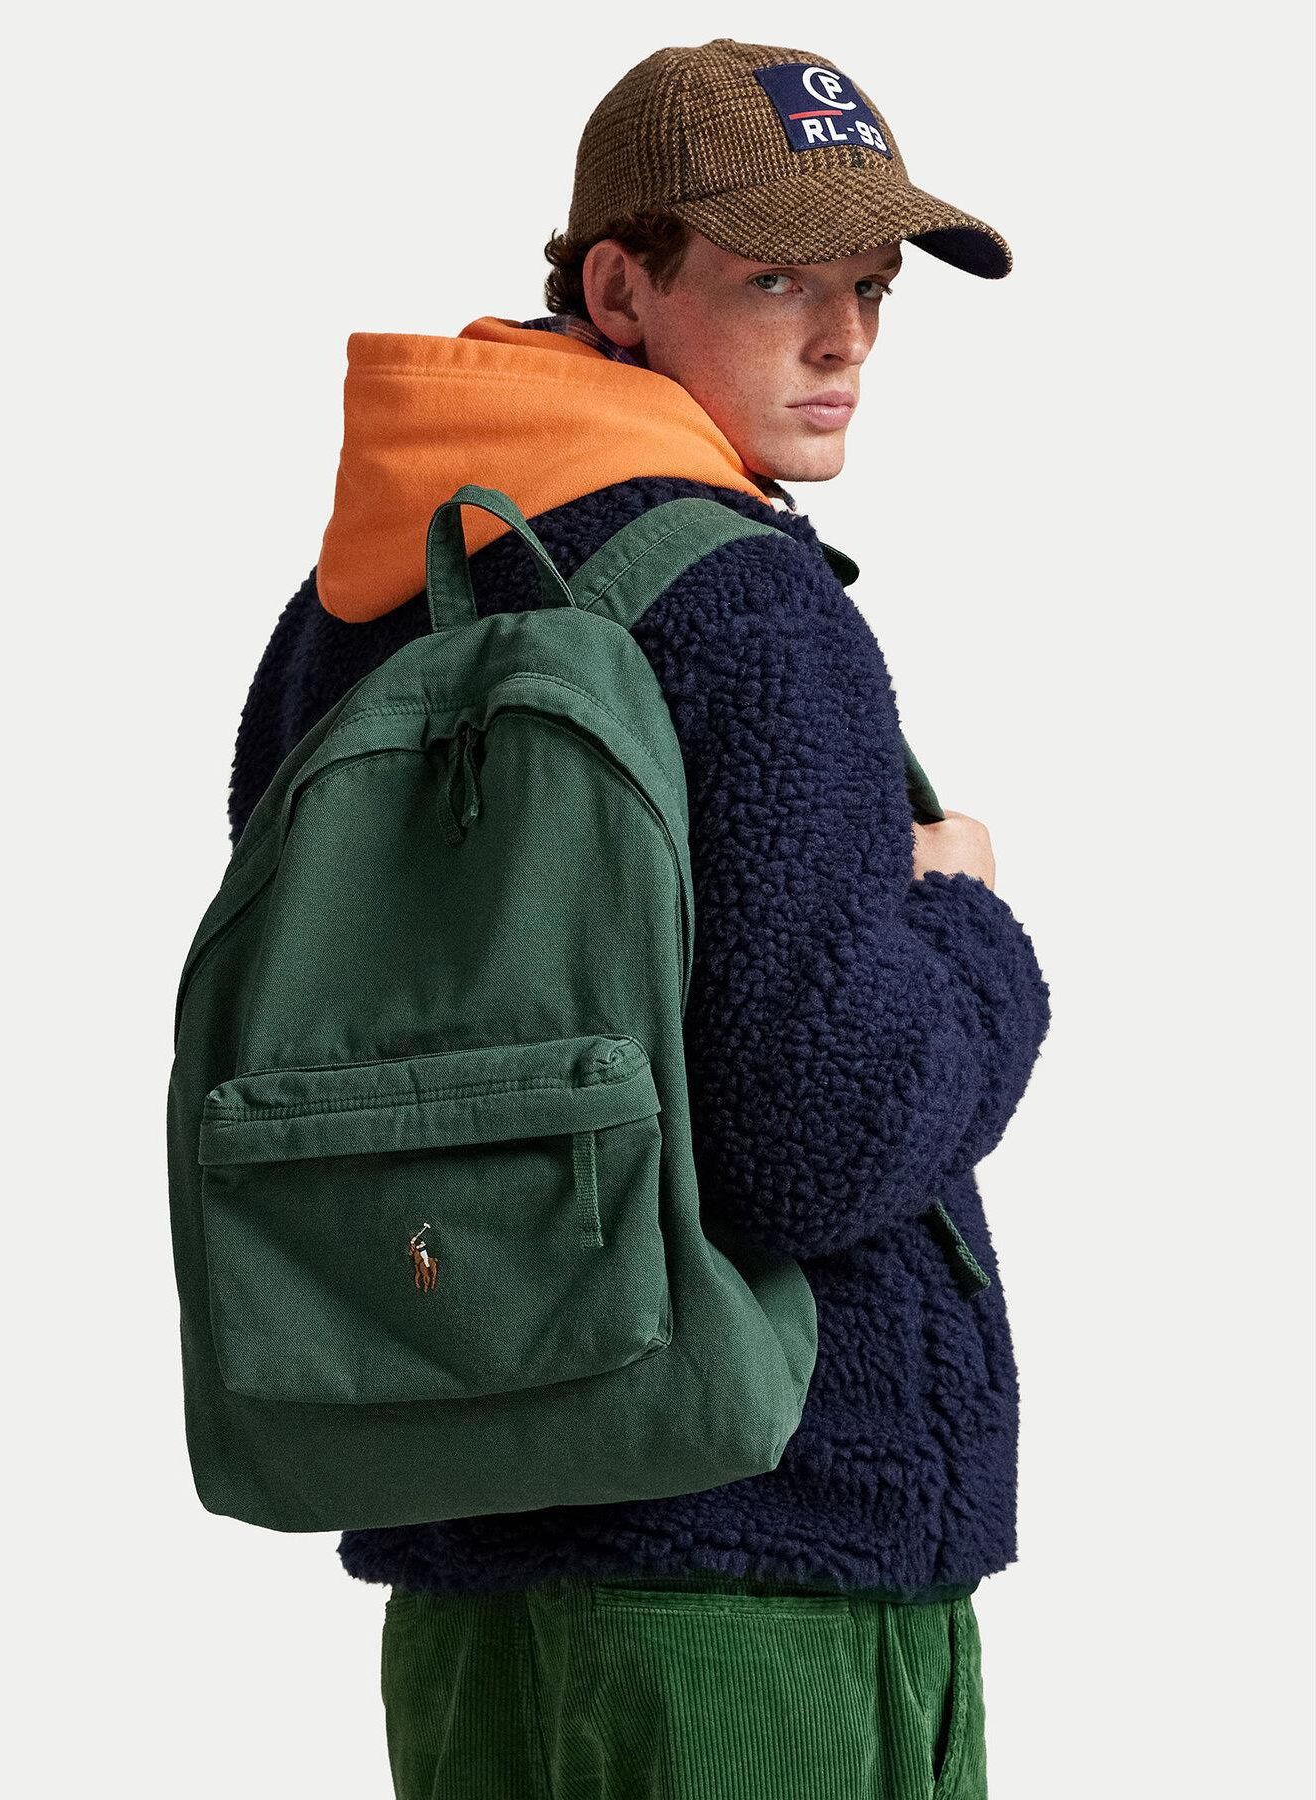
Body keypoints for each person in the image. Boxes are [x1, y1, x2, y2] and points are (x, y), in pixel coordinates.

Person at [228, 36, 1052, 1800]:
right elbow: (820, 1140)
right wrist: (967, 922)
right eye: (775, 283)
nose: (842, 341)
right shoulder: (742, 601)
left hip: (464, 1535)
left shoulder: (365, 593)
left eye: (870, 287)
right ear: (618, 287)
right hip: (766, 1548)